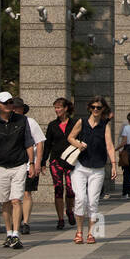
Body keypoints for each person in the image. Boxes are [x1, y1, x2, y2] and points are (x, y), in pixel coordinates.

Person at [0, 91, 35, 249]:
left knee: (16, 200)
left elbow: (28, 143)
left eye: (11, 102)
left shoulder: (22, 120)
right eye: (6, 103)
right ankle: (9, 233)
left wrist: (31, 163)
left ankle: (16, 234)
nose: (10, 105)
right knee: (4, 202)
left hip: (18, 164)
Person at [66, 95, 117, 244]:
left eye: (98, 108)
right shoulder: (81, 122)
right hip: (81, 166)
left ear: (103, 110)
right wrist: (78, 144)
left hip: (98, 167)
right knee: (81, 198)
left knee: (93, 201)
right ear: (89, 108)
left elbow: (109, 145)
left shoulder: (104, 126)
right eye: (93, 107)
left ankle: (91, 233)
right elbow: (70, 137)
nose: (95, 110)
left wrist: (113, 164)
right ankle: (79, 231)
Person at [11, 98, 45, 236]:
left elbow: (40, 143)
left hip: (28, 164)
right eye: (12, 107)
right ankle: (16, 220)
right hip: (13, 163)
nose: (14, 110)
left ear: (22, 109)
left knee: (26, 193)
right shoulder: (9, 123)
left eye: (16, 108)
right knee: (13, 195)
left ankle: (25, 222)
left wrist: (38, 163)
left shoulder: (30, 122)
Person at [43, 97, 78, 230]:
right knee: (58, 189)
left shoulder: (75, 123)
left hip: (71, 160)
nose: (57, 110)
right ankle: (60, 219)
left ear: (66, 109)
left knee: (70, 189)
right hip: (56, 160)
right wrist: (42, 162)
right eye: (55, 108)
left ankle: (70, 210)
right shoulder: (52, 125)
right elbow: (47, 144)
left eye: (59, 107)